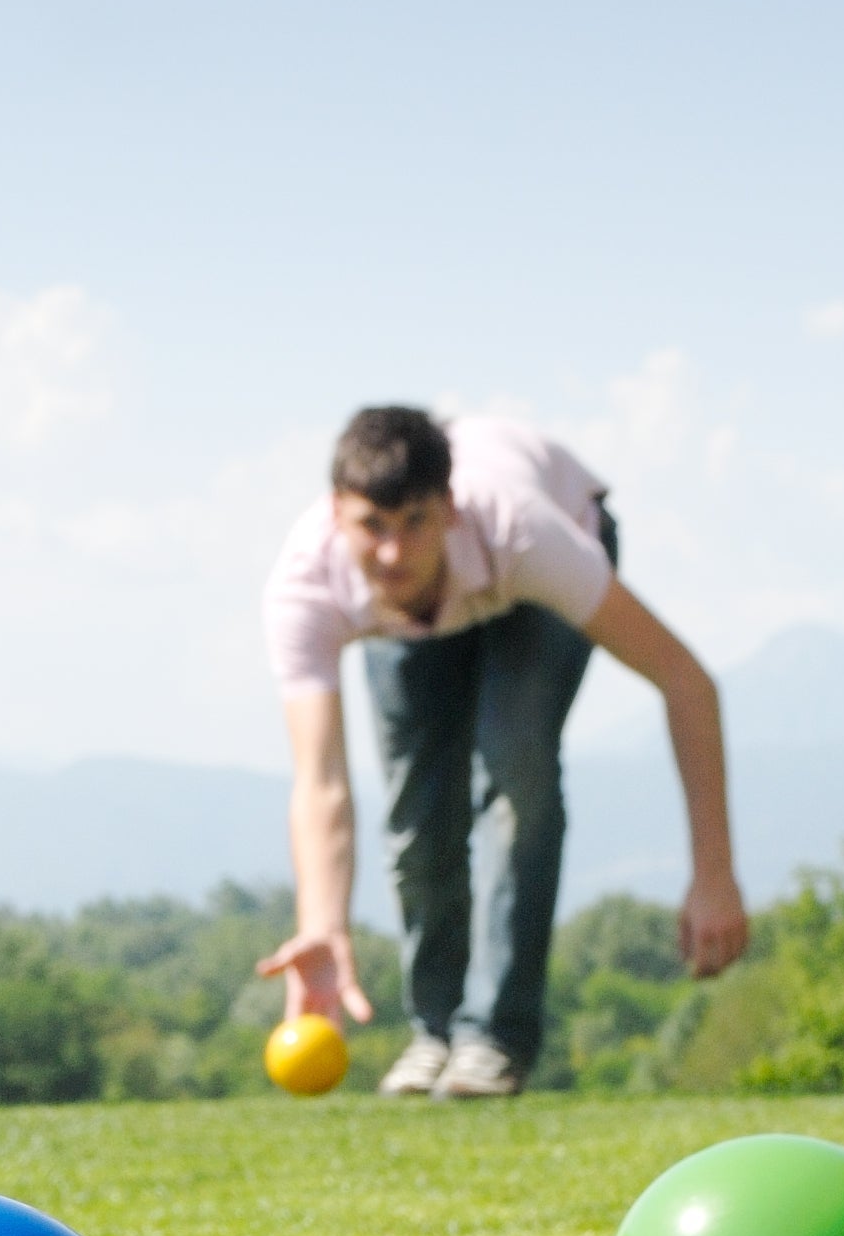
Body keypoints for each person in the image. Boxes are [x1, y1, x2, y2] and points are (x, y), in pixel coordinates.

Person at [256, 406, 749, 1098]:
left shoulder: (527, 533)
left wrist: (714, 873)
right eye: (373, 526)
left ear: (450, 509)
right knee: (417, 811)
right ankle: (435, 1030)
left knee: (518, 766)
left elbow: (685, 680)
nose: (393, 553)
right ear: (337, 513)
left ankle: (492, 1039)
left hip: (534, 572)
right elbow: (321, 783)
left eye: (415, 522)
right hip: (420, 623)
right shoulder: (306, 588)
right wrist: (322, 926)